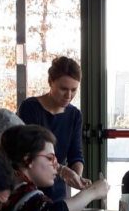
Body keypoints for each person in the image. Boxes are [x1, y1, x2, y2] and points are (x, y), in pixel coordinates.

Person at [0, 124, 108, 211]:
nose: (56, 165)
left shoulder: (8, 187)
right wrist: (92, 192)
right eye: (50, 158)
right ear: (28, 160)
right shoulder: (23, 194)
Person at [17, 56, 85, 203]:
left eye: (74, 90)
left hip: (58, 190)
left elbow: (76, 156)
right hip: (29, 189)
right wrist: (63, 171)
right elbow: (31, 153)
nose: (69, 95)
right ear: (50, 82)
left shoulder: (74, 115)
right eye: (63, 89)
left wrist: (76, 177)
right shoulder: (30, 108)